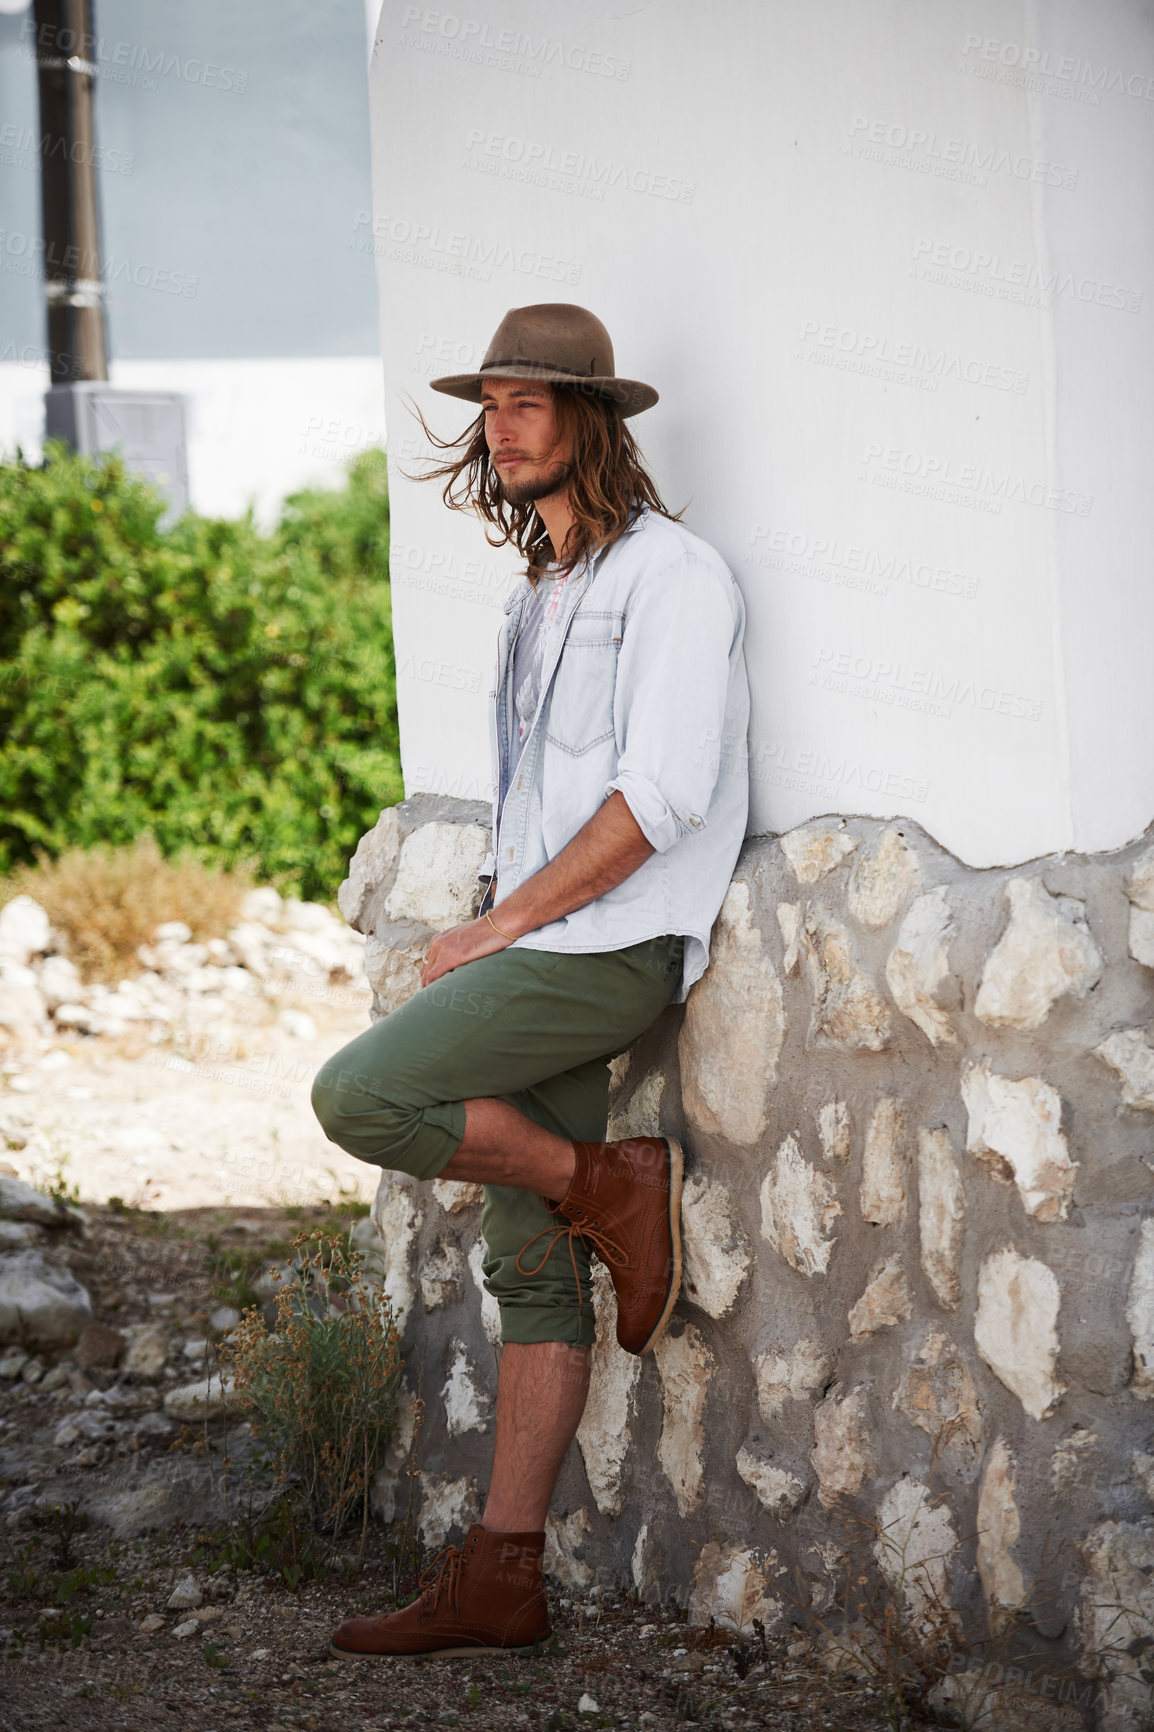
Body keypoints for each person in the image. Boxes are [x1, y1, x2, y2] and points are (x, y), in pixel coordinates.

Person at [311, 303, 750, 1660]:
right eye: (487, 404)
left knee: (362, 1094)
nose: (497, 427)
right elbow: (535, 804)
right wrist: (499, 904)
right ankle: (504, 1577)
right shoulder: (539, 596)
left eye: (525, 403)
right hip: (542, 935)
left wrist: (499, 935)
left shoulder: (673, 578)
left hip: (609, 950)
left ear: (588, 421)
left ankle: (603, 1181)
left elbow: (656, 798)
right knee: (529, 1267)